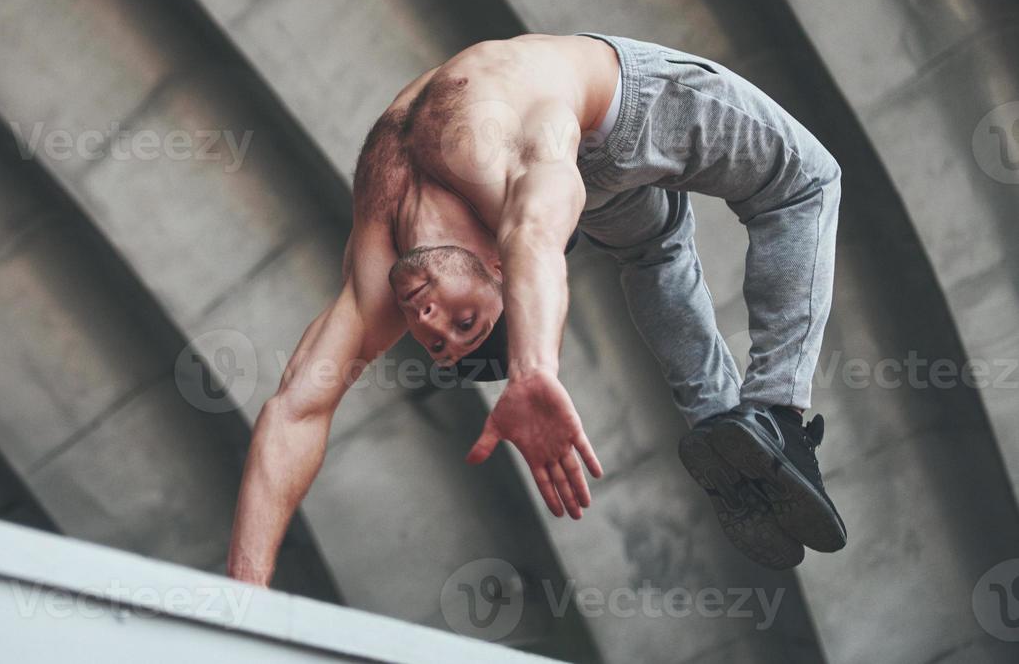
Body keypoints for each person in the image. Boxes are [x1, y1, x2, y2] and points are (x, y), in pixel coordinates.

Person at [226, 33, 846, 579]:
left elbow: (299, 409)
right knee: (804, 183)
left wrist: (531, 372)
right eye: (461, 326)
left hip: (580, 148)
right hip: (619, 118)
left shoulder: (380, 272)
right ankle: (772, 418)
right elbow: (533, 237)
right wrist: (244, 601)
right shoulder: (510, 196)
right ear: (498, 267)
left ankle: (730, 424)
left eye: (441, 338)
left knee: (654, 253)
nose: (429, 321)